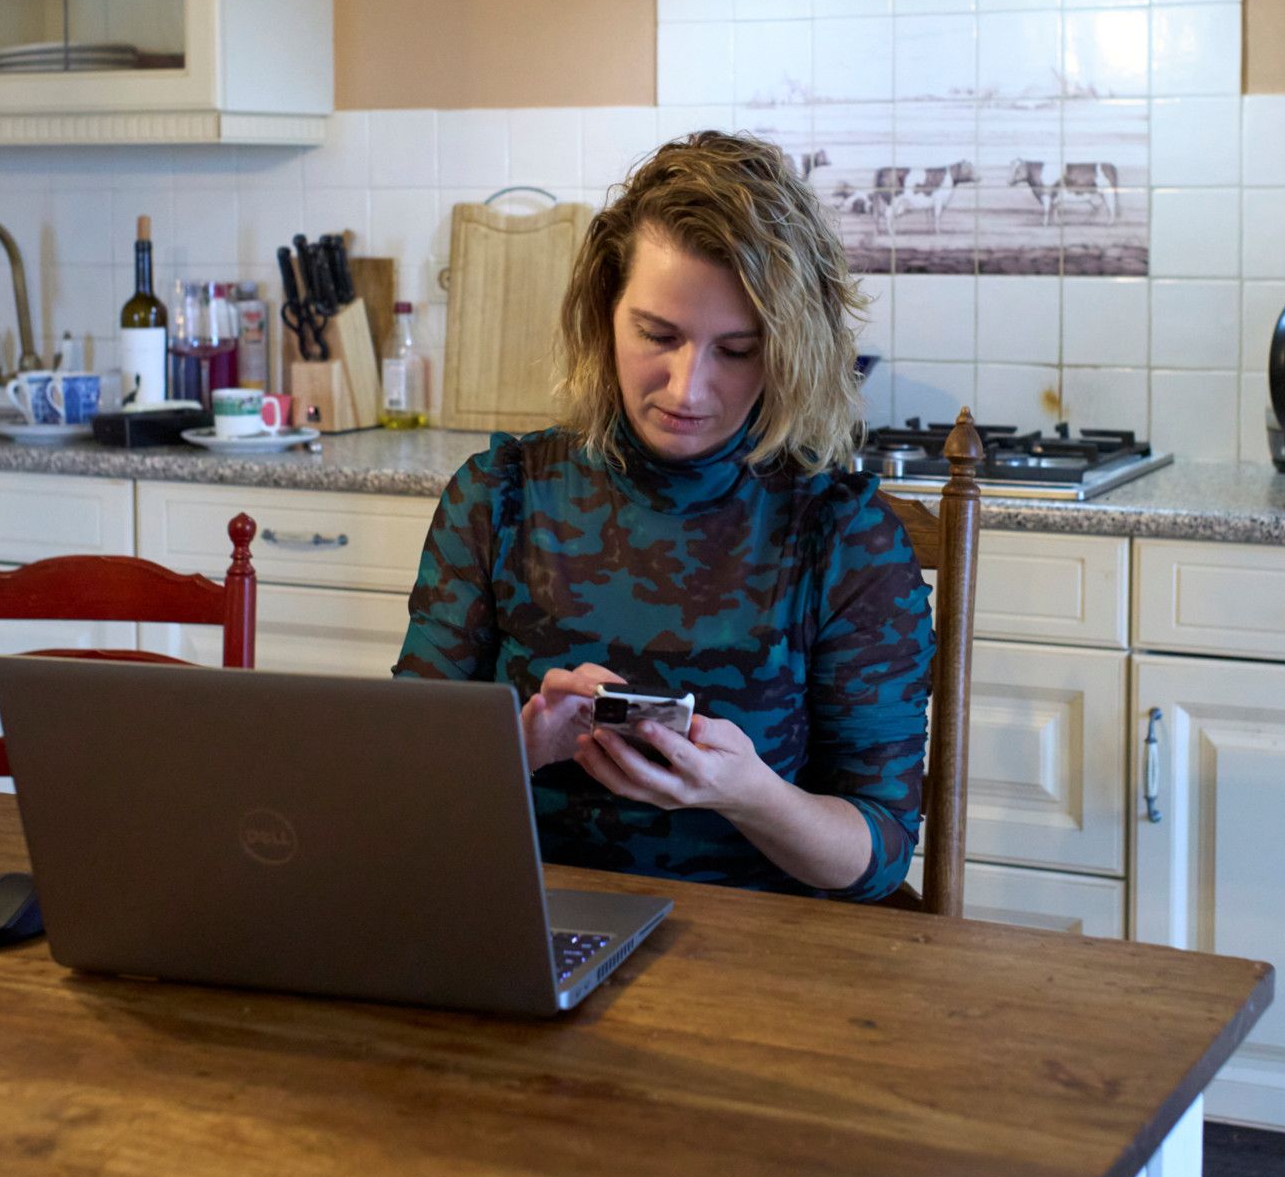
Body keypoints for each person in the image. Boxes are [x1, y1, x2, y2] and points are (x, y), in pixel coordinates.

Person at [395, 131, 933, 901]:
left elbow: (875, 858)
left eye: (736, 350)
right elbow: (397, 780)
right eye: (657, 335)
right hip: (525, 921)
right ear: (602, 314)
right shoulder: (499, 496)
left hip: (764, 951)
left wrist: (751, 794)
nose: (687, 389)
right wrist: (517, 746)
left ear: (787, 351)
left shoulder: (843, 537)